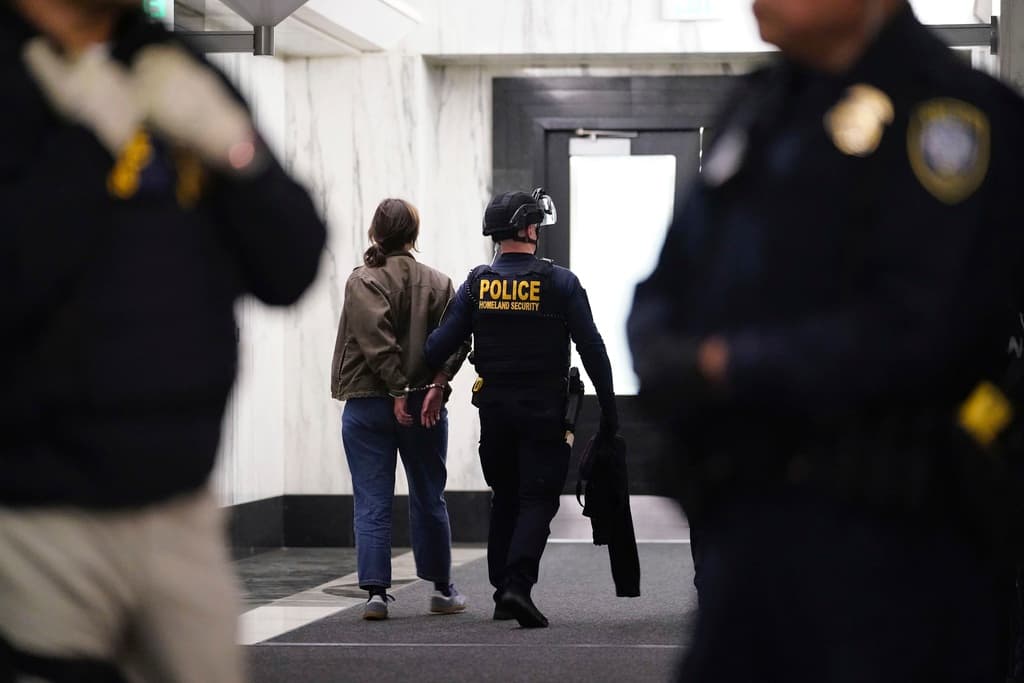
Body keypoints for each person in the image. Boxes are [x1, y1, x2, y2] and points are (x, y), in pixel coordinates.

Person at [627, 0, 1024, 680]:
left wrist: (728, 365)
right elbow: (670, 280)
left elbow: (923, 327)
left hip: (894, 549)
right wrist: (662, 350)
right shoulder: (759, 106)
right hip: (743, 535)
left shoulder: (954, 113)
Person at [0, 1, 327, 681]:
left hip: (180, 503)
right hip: (34, 515)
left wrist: (239, 154)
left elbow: (289, 264)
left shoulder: (172, 65)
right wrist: (90, 153)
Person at [424, 189, 619, 628]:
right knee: (538, 498)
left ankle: (500, 592)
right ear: (529, 229)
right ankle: (517, 586)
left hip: (493, 411)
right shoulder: (561, 283)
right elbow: (593, 350)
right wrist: (610, 412)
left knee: (506, 497)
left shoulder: (477, 283)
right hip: (544, 412)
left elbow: (436, 348)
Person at [331, 198, 471, 621]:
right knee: (430, 496)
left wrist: (395, 391)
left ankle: (376, 594)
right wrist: (438, 386)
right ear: (414, 235)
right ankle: (443, 590)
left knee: (371, 498)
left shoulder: (363, 280)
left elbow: (377, 342)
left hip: (369, 407)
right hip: (424, 405)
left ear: (375, 233)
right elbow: (459, 338)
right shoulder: (440, 282)